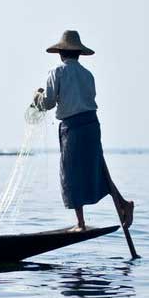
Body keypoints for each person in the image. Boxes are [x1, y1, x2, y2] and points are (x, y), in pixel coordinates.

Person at [33, 30, 134, 232]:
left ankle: (80, 223)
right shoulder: (88, 75)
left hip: (73, 127)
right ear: (78, 53)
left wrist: (37, 98)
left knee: (71, 174)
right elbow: (88, 97)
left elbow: (50, 103)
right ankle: (123, 203)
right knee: (99, 169)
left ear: (61, 53)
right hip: (91, 125)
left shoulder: (57, 72)